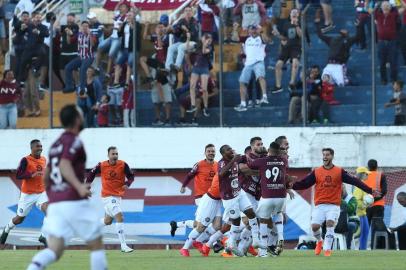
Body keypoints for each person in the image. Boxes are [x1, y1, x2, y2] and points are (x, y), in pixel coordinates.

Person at [26, 105, 108, 270]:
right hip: (73, 202)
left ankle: (33, 267)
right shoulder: (75, 141)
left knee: (55, 249)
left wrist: (54, 194)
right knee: (96, 244)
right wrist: (78, 186)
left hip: (56, 204)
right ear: (77, 119)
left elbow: (47, 174)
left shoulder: (56, 144)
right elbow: (64, 164)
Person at [290, 148, 378, 257]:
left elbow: (354, 181)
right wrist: (290, 185)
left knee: (330, 224)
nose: (325, 157)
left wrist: (369, 190)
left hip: (333, 205)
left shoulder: (339, 171)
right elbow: (304, 184)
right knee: (315, 227)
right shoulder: (317, 172)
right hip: (320, 205)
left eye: (327, 155)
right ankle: (319, 241)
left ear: (332, 156)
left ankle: (327, 249)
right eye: (323, 155)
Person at [86, 146, 135, 253]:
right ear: (108, 155)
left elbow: (131, 176)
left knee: (107, 221)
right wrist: (87, 186)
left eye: (116, 154)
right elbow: (91, 174)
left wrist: (128, 183)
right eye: (113, 154)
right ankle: (123, 245)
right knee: (120, 216)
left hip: (118, 196)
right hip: (107, 196)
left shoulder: (123, 164)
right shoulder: (102, 165)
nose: (115, 156)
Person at [0, 139, 47, 246]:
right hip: (28, 195)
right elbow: (18, 175)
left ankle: (43, 236)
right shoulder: (25, 160)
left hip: (41, 193)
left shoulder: (44, 159)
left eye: (41, 146)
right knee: (19, 219)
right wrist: (32, 175)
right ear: (32, 148)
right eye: (37, 146)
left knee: (49, 211)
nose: (40, 148)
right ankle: (7, 228)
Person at [248, 142, 289, 257]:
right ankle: (281, 236)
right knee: (278, 213)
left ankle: (263, 252)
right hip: (281, 196)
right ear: (278, 150)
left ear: (269, 149)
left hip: (267, 196)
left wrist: (261, 155)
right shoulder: (283, 161)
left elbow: (250, 165)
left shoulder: (262, 161)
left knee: (263, 221)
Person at [217, 144, 260, 256]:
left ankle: (256, 239)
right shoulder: (222, 163)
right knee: (235, 221)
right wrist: (233, 160)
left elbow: (246, 158)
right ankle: (231, 243)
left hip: (239, 192)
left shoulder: (236, 158)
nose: (231, 151)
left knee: (251, 213)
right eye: (228, 150)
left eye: (231, 148)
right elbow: (221, 174)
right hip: (229, 197)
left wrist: (248, 157)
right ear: (223, 154)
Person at [170, 144, 218, 236]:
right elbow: (189, 176)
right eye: (209, 151)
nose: (211, 153)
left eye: (213, 151)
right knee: (208, 221)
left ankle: (176, 225)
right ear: (205, 153)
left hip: (213, 197)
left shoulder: (218, 165)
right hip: (201, 197)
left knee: (199, 224)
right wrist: (183, 186)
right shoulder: (199, 165)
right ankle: (215, 243)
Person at [179, 174, 222, 257]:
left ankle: (199, 241)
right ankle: (184, 248)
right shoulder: (223, 171)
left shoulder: (232, 172)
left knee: (217, 226)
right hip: (210, 200)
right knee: (201, 226)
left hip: (218, 201)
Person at [234, 24, 268, 112]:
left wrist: (262, 31)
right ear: (248, 31)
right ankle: (243, 104)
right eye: (251, 29)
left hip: (258, 62)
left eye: (254, 29)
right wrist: (234, 29)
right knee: (242, 82)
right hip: (248, 64)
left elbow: (267, 40)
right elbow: (235, 39)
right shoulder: (246, 39)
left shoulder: (260, 38)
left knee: (260, 77)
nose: (253, 31)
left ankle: (264, 97)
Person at [272, 9, 302, 93]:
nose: (294, 14)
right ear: (290, 15)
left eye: (296, 13)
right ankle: (278, 86)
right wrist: (277, 35)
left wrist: (296, 26)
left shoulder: (300, 24)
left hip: (296, 47)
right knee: (278, 65)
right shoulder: (286, 25)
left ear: (298, 16)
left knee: (295, 63)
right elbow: (284, 38)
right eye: (293, 12)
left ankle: (292, 83)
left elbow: (301, 35)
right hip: (286, 48)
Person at [64, 21, 96, 93]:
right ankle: (70, 86)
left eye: (86, 26)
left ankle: (83, 88)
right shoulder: (79, 34)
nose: (84, 28)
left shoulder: (92, 35)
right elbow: (69, 42)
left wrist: (89, 34)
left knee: (82, 69)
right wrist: (68, 34)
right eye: (83, 26)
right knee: (67, 67)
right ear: (81, 27)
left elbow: (93, 44)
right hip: (80, 57)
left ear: (89, 28)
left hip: (89, 56)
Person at [186, 33, 213, 116]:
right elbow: (187, 49)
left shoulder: (209, 47)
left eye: (208, 39)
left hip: (204, 68)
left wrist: (205, 43)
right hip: (196, 67)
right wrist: (188, 39)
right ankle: (193, 105)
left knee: (204, 89)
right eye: (206, 38)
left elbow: (204, 52)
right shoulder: (197, 45)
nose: (207, 40)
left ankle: (206, 107)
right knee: (192, 86)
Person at [375, 1, 400, 85]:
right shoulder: (378, 15)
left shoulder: (393, 14)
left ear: (390, 7)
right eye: (384, 5)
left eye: (387, 5)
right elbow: (368, 9)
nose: (385, 7)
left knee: (393, 61)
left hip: (392, 42)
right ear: (381, 8)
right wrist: (368, 3)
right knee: (382, 62)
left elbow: (404, 8)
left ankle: (393, 79)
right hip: (381, 42)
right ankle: (383, 79)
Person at [353, 166, 371, 250]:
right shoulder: (358, 186)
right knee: (360, 234)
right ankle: (359, 250)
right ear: (362, 174)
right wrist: (364, 204)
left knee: (365, 233)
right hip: (359, 214)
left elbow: (364, 199)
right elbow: (356, 200)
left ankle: (363, 250)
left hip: (364, 213)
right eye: (366, 174)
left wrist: (369, 202)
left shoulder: (362, 185)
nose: (368, 175)